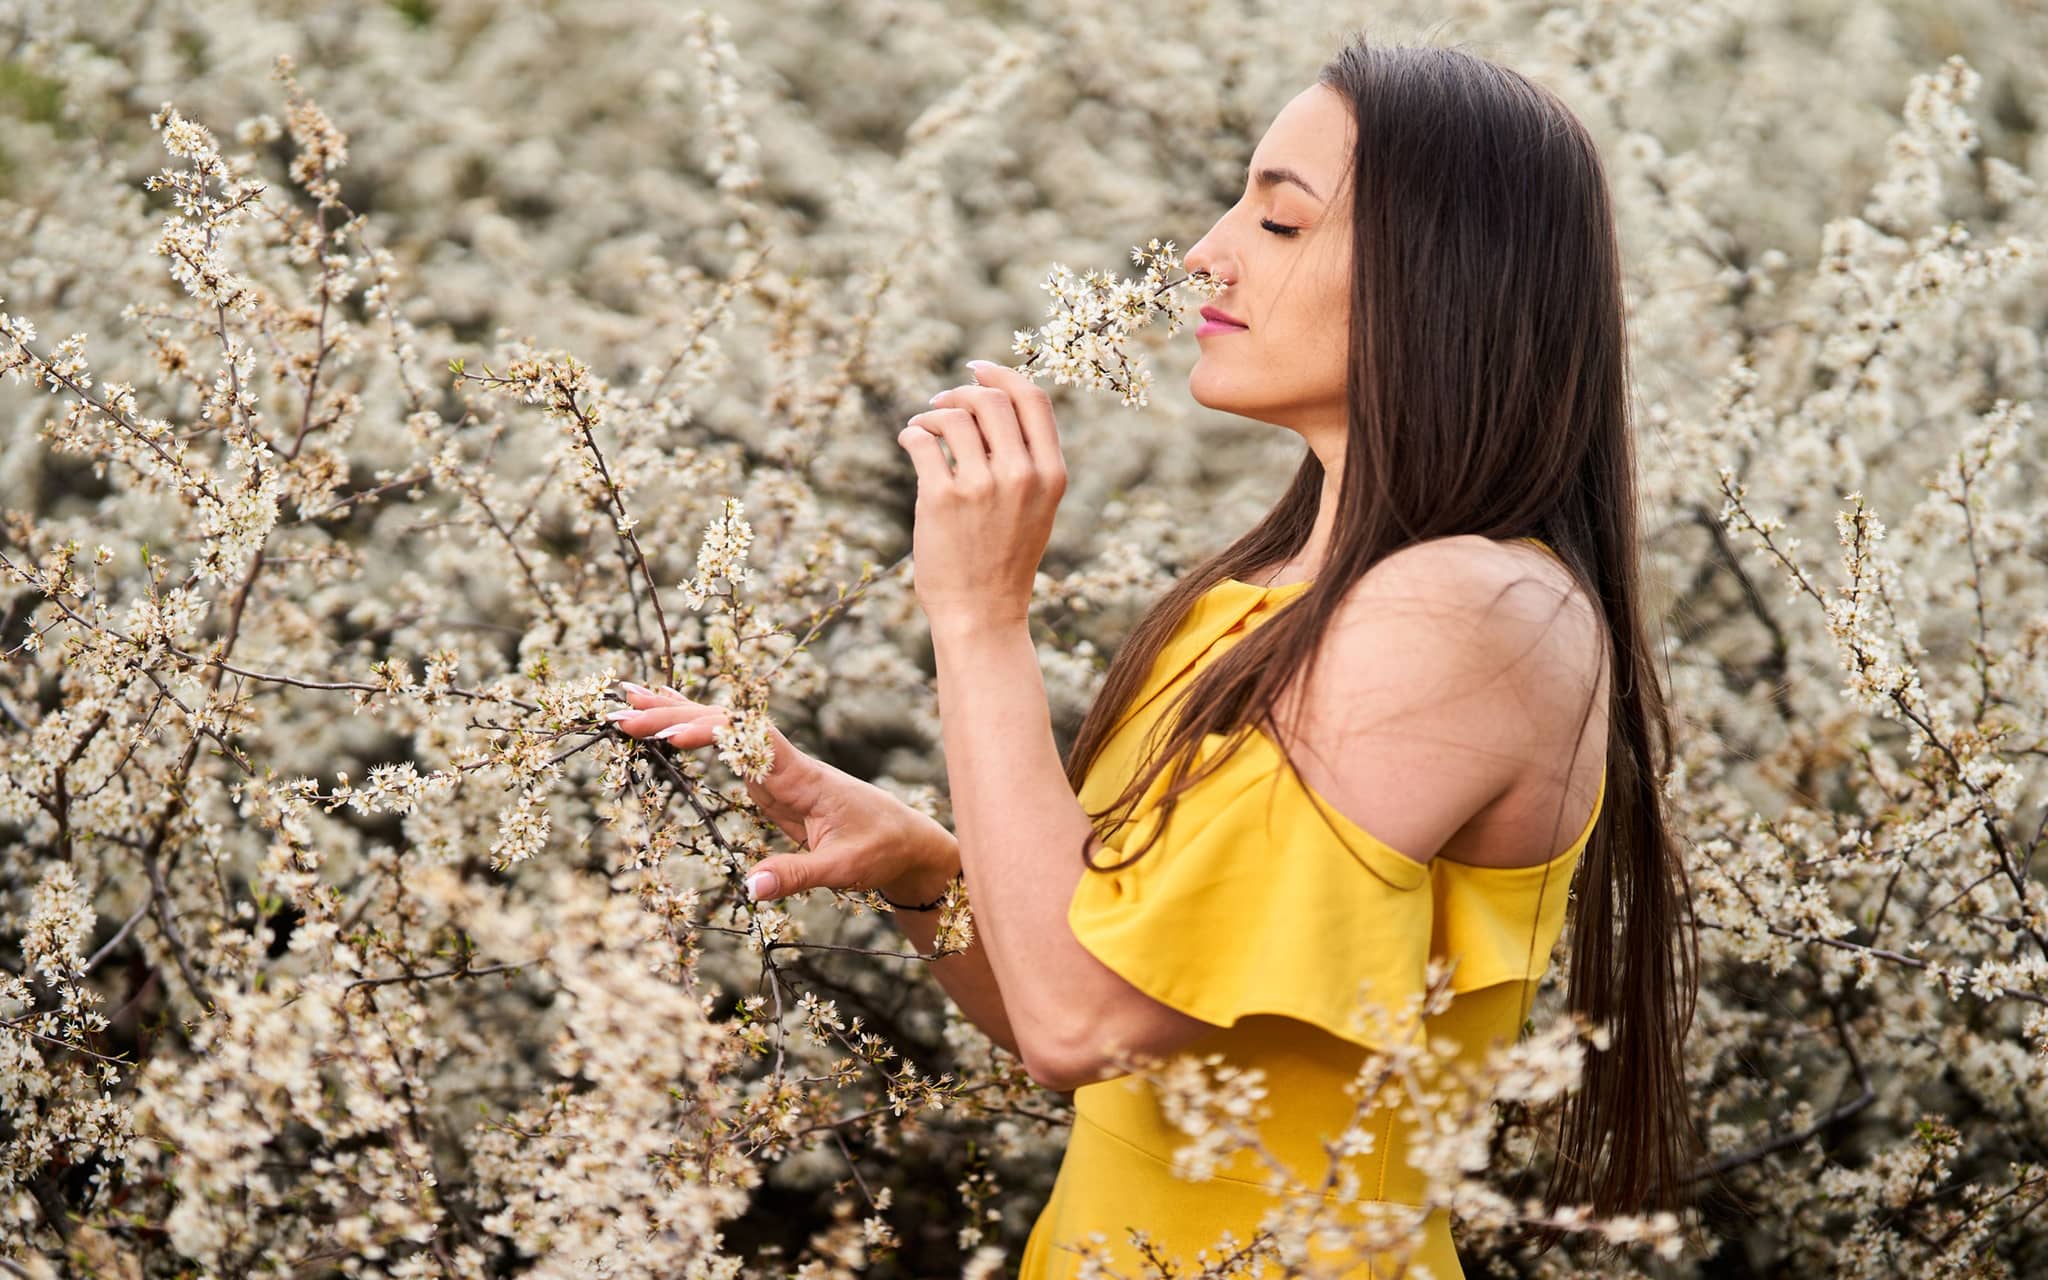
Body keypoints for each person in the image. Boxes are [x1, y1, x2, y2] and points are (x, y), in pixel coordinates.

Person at [607, 30, 1702, 1279]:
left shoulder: (1472, 613)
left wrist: (977, 618)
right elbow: (1085, 1013)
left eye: (1278, 223)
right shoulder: (1257, 598)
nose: (1203, 252)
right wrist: (923, 873)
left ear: (1439, 279)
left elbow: (1082, 1020)